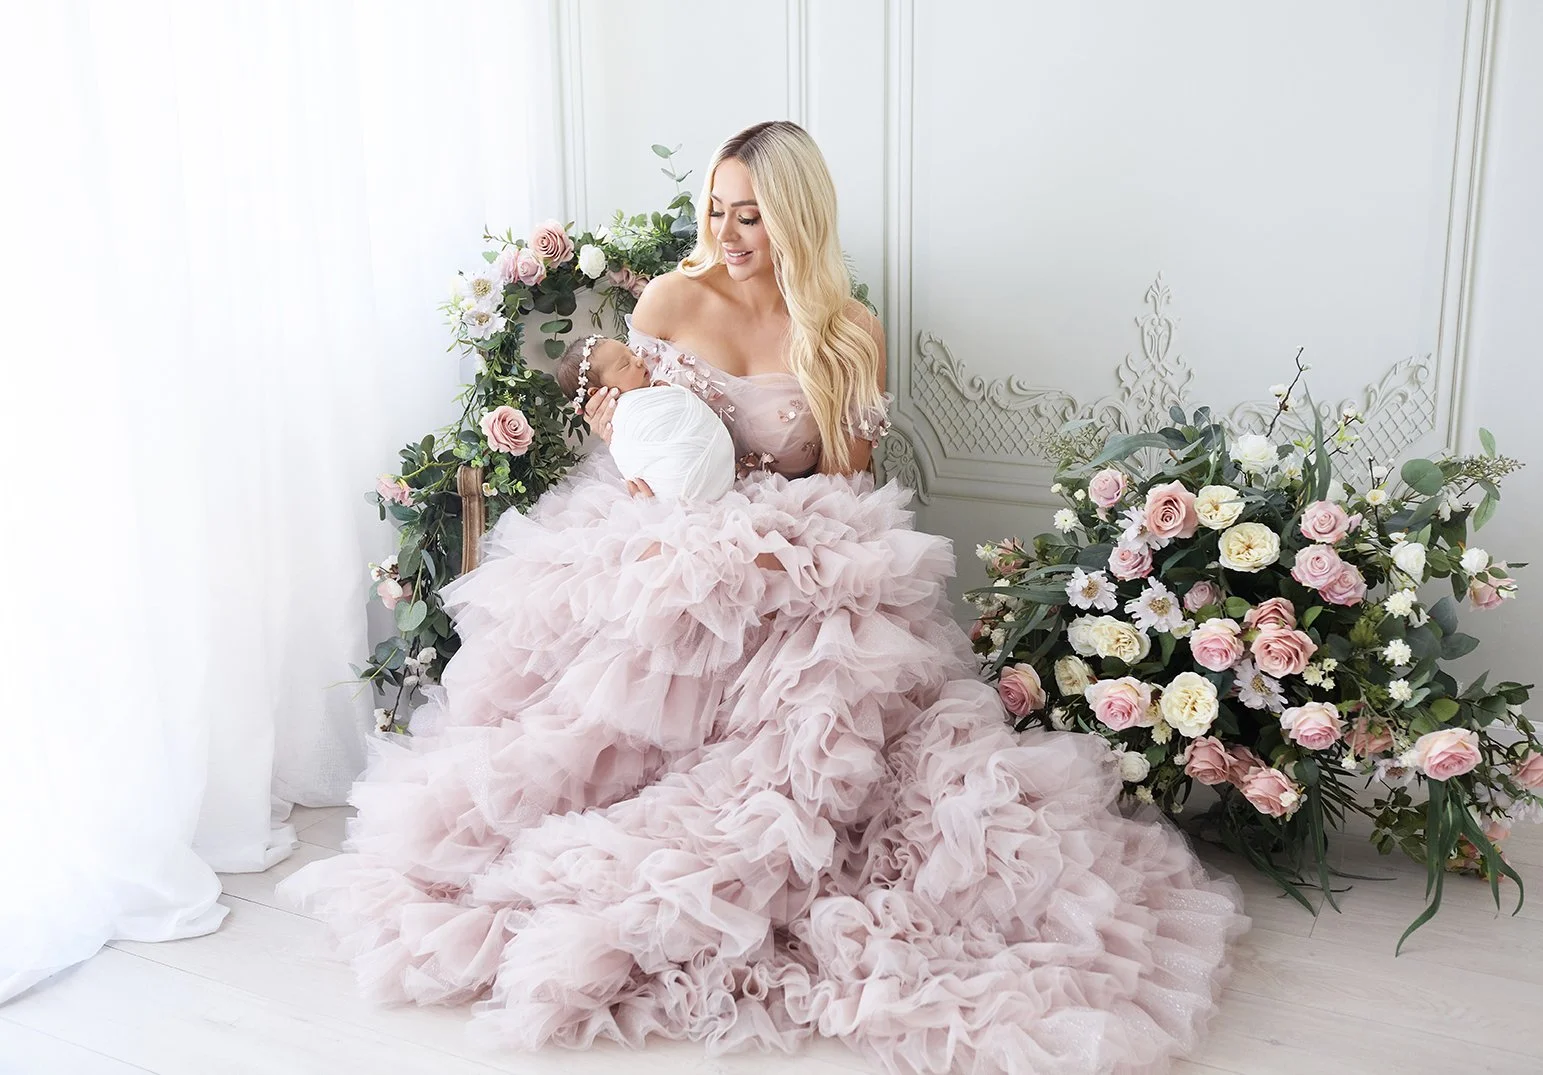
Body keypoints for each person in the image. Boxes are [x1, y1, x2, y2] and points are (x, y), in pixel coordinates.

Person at [281, 120, 1247, 1075]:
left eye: (750, 215)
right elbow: (642, 439)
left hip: (798, 537)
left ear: (797, 218)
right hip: (665, 530)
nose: (729, 234)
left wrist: (774, 546)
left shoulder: (847, 330)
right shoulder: (669, 300)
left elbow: (848, 483)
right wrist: (623, 439)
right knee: (622, 665)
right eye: (717, 211)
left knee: (835, 695)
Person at [554, 333, 735, 502]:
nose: (639, 360)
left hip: (718, 468)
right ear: (598, 393)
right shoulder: (625, 415)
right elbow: (631, 455)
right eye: (625, 365)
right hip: (684, 486)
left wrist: (666, 392)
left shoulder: (652, 393)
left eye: (633, 353)